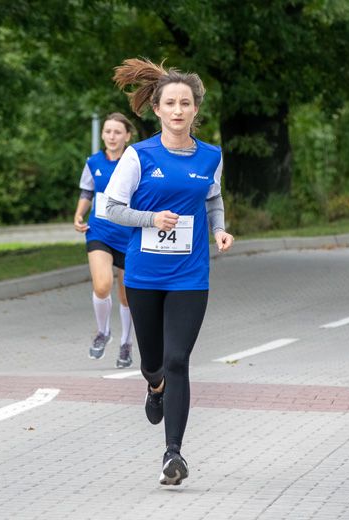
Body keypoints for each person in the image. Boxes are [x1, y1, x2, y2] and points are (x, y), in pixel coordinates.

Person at [104, 58, 234, 485]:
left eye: (186, 103)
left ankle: (173, 454)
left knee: (179, 360)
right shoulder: (139, 156)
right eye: (170, 104)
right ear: (157, 109)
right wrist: (150, 220)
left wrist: (219, 230)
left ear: (196, 109)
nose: (178, 111)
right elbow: (112, 208)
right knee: (154, 363)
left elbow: (212, 199)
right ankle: (153, 384)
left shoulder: (211, 156)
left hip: (190, 276)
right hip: (143, 276)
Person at [73, 113, 136, 368]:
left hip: (129, 234)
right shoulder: (93, 162)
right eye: (108, 131)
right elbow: (88, 190)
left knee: (126, 295)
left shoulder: (135, 162)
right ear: (102, 134)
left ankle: (125, 343)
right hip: (99, 231)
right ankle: (103, 332)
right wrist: (79, 214)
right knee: (102, 285)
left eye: (117, 132)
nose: (112, 136)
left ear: (127, 136)